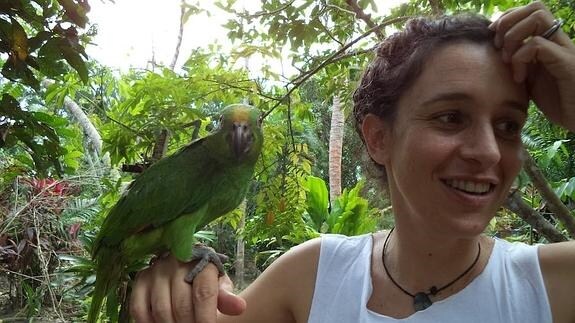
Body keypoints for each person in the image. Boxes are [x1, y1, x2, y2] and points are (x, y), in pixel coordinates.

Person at [129, 2, 575, 322]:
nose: (490, 152)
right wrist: (181, 288)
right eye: (451, 117)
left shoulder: (552, 284)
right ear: (378, 138)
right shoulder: (313, 275)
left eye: (508, 126)